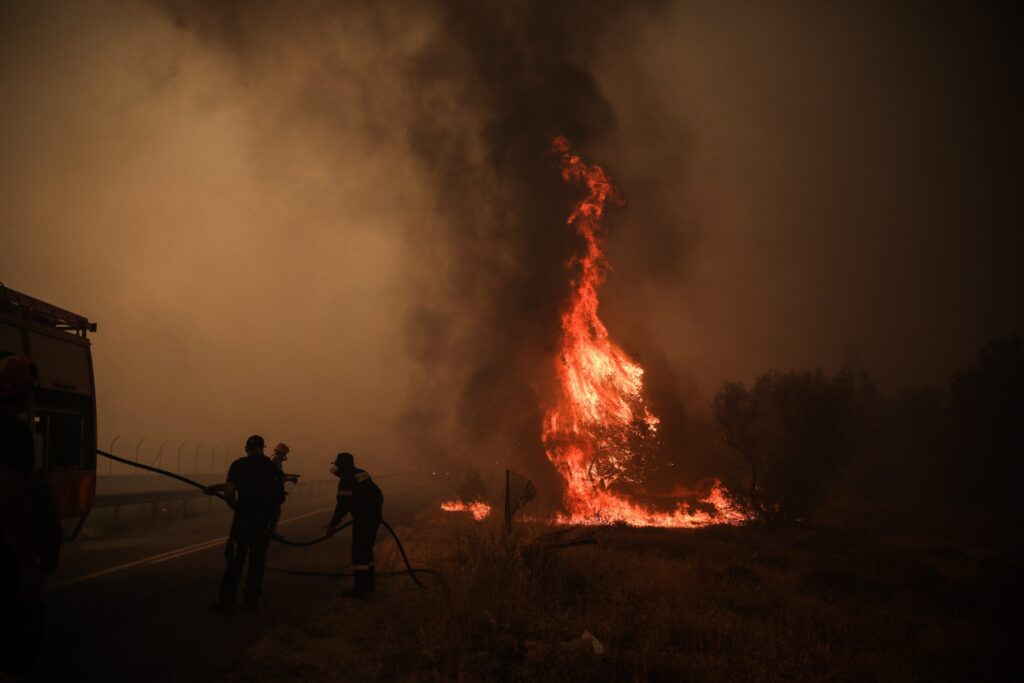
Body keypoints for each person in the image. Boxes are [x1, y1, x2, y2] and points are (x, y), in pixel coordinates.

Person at [0, 352, 61, 677]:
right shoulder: (14, 434)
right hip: (7, 556)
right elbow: (10, 494)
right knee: (18, 643)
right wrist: (28, 561)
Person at [207, 434, 284, 613]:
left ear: (246, 449)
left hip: (242, 524)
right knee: (257, 562)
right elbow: (278, 498)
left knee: (234, 563)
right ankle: (252, 598)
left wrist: (238, 508)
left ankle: (226, 603)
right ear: (263, 448)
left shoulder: (238, 465)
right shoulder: (271, 467)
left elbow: (229, 492)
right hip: (263, 524)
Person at [324, 452, 383, 597]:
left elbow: (343, 506)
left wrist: (333, 524)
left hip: (364, 519)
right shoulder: (362, 473)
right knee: (367, 550)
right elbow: (379, 494)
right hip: (373, 516)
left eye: (336, 464)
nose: (335, 467)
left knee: (359, 553)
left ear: (342, 465)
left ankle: (360, 589)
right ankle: (369, 584)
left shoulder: (346, 480)